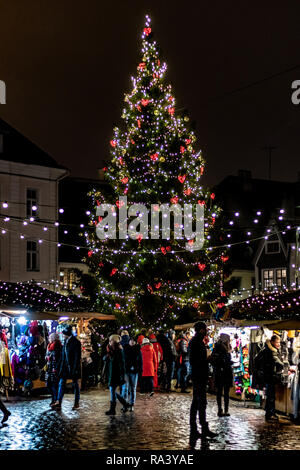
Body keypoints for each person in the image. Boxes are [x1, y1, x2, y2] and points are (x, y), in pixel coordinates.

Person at [189, 321, 217, 445]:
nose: (206, 331)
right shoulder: (196, 343)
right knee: (200, 402)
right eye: (205, 329)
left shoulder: (197, 342)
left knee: (197, 402)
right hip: (199, 375)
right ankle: (201, 428)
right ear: (201, 330)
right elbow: (196, 360)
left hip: (199, 375)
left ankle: (196, 428)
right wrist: (208, 359)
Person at [55, 325, 82, 410]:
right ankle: (59, 401)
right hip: (65, 367)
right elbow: (63, 356)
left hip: (73, 367)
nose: (62, 335)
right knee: (61, 383)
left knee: (75, 384)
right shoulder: (66, 341)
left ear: (67, 334)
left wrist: (75, 368)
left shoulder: (76, 342)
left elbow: (77, 357)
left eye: (63, 334)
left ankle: (76, 402)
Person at [261, 334, 284, 422]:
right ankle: (269, 414)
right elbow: (276, 361)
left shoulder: (270, 349)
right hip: (269, 375)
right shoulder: (271, 351)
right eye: (277, 342)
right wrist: (285, 366)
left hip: (269, 375)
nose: (278, 344)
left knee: (271, 395)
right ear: (272, 342)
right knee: (270, 395)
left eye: (279, 342)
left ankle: (272, 413)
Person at [105, 334, 128, 415]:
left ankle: (115, 408)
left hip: (116, 374)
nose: (109, 342)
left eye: (110, 341)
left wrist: (122, 376)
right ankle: (122, 405)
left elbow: (122, 364)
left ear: (114, 341)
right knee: (112, 391)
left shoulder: (119, 350)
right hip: (112, 374)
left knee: (112, 391)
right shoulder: (110, 350)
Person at [211, 333, 233, 417]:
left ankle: (226, 409)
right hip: (221, 371)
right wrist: (223, 361)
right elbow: (215, 358)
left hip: (226, 371)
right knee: (220, 392)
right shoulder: (218, 347)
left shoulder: (228, 347)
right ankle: (220, 409)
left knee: (226, 392)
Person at [123, 337, 143, 411]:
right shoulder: (125, 350)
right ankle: (125, 403)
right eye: (131, 341)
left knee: (133, 388)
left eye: (133, 341)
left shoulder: (138, 350)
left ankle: (132, 404)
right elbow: (122, 360)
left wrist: (140, 370)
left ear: (135, 342)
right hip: (126, 371)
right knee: (125, 388)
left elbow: (141, 361)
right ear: (128, 342)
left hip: (135, 371)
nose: (132, 342)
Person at [45, 333, 62, 407]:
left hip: (55, 368)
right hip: (49, 367)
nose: (49, 339)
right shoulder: (49, 346)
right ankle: (53, 399)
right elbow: (47, 355)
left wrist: (50, 358)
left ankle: (55, 400)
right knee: (49, 384)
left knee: (54, 385)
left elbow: (57, 358)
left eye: (50, 337)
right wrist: (47, 357)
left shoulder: (58, 346)